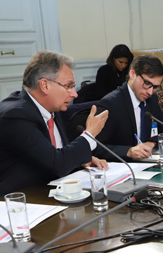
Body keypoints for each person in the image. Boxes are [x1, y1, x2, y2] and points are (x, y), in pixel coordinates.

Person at [0, 51, 108, 196]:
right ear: (45, 85)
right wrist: (90, 135)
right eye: (68, 86)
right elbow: (58, 164)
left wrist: (80, 159)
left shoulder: (52, 108)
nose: (74, 94)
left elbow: (56, 153)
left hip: (50, 192)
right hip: (22, 200)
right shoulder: (15, 116)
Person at [95, 55, 163, 161]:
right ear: (132, 74)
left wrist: (151, 143)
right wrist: (128, 152)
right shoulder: (111, 104)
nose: (150, 91)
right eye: (147, 83)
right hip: (123, 167)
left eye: (155, 87)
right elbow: (96, 147)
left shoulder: (151, 100)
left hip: (147, 164)